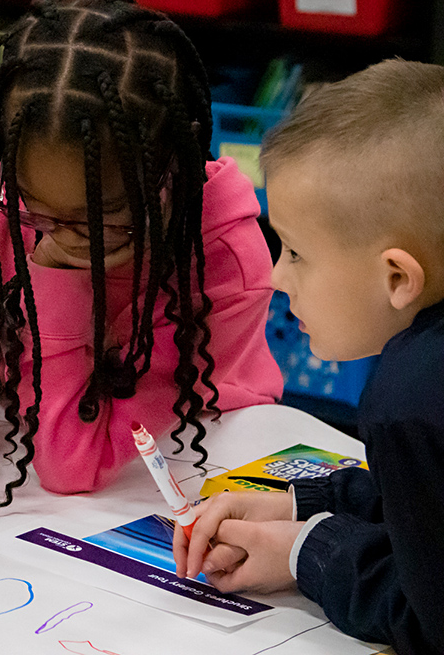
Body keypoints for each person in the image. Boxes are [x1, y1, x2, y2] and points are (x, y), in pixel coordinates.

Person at [0, 0, 284, 562]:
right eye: (30, 208)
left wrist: (56, 273)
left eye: (98, 221)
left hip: (199, 449)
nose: (55, 234)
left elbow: (71, 461)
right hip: (44, 435)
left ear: (168, 174)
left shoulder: (218, 250)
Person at [173, 59, 444, 654]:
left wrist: (307, 551)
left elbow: (431, 622)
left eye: (296, 253)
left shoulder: (409, 402)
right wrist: (303, 501)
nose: (275, 277)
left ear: (398, 277)